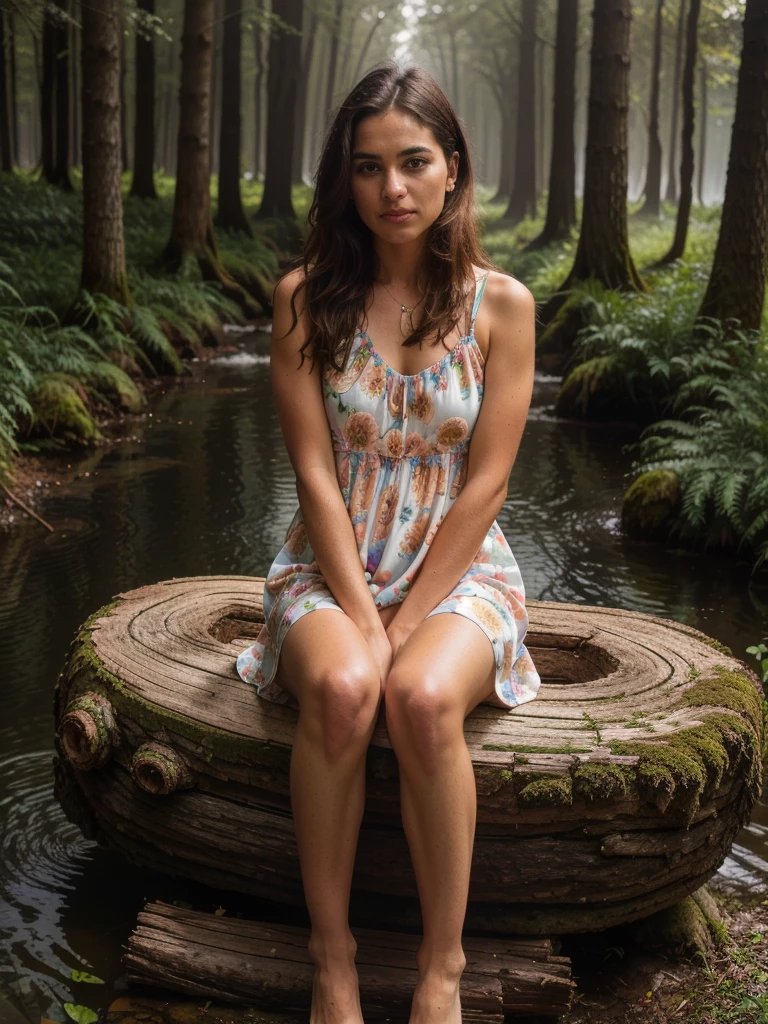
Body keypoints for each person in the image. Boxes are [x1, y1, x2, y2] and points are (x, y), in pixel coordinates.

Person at [236, 59, 541, 1024]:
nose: (392, 189)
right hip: (333, 560)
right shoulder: (302, 300)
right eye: (368, 168)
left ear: (454, 168)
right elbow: (317, 477)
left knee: (415, 695)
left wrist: (409, 620)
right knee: (341, 688)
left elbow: (487, 482)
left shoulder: (504, 308)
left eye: (414, 162)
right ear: (345, 179)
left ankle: (440, 970)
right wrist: (363, 615)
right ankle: (332, 960)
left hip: (461, 571)